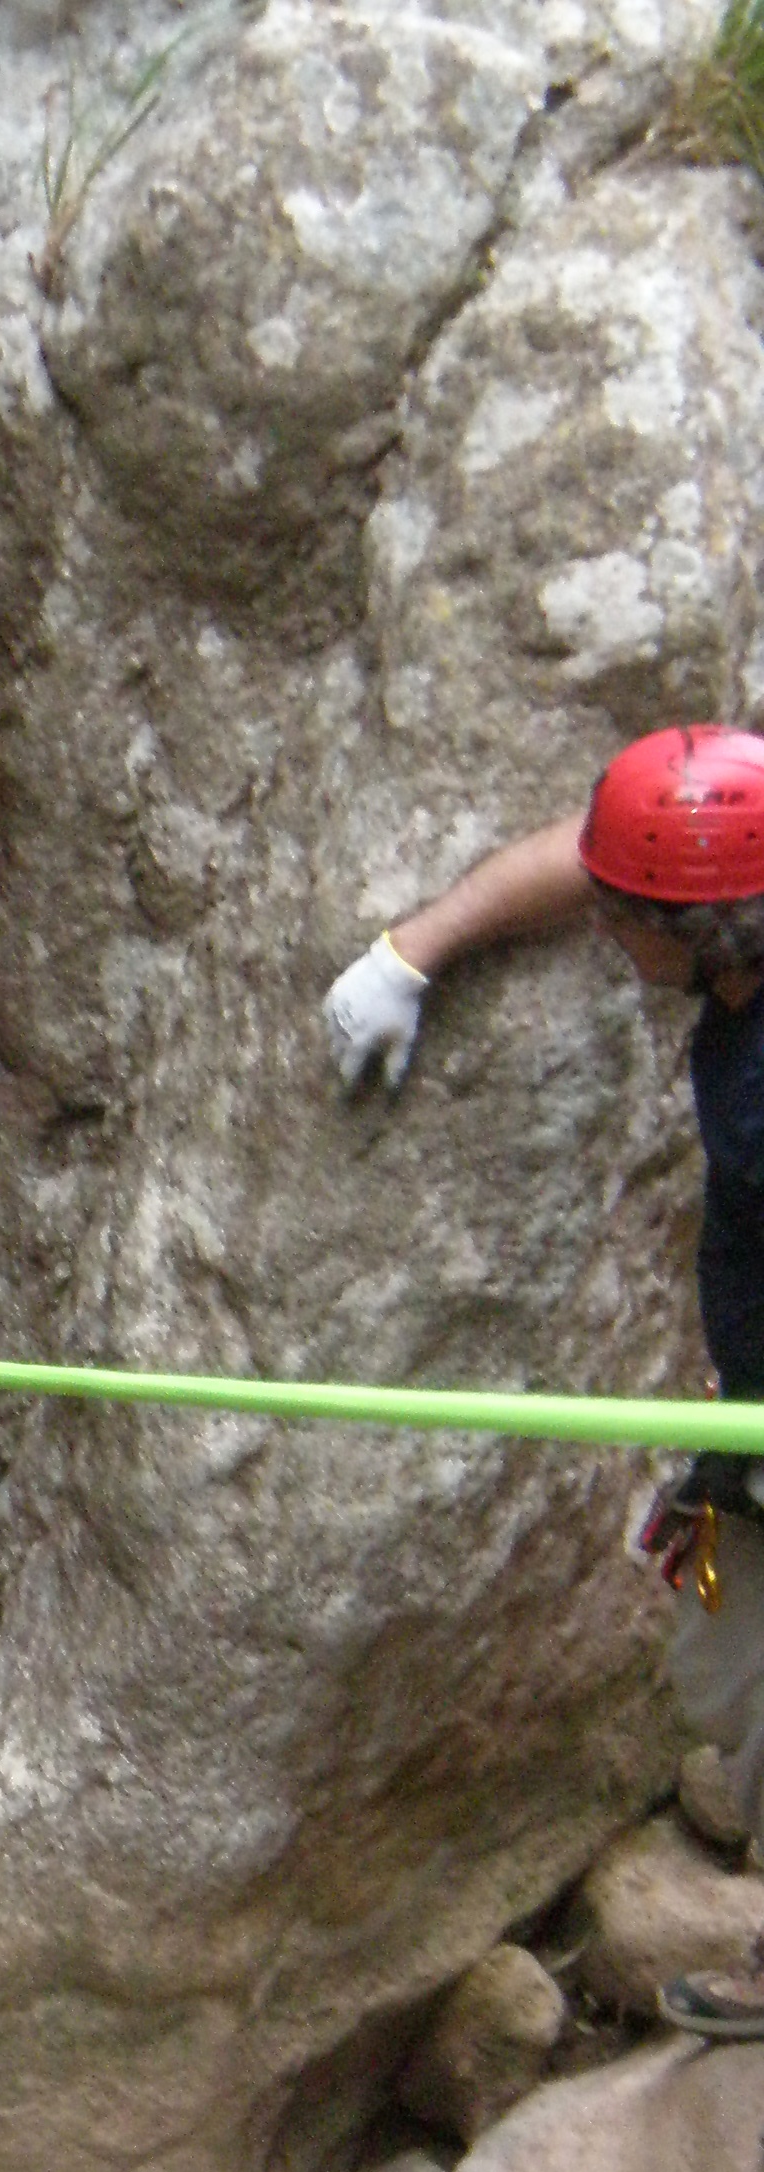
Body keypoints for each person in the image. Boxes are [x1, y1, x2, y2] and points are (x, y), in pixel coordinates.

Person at [323, 721, 764, 2036]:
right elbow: (601, 864)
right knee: (727, 1681)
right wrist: (412, 951)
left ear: (706, 931)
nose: (607, 931)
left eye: (631, 919)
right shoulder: (734, 873)